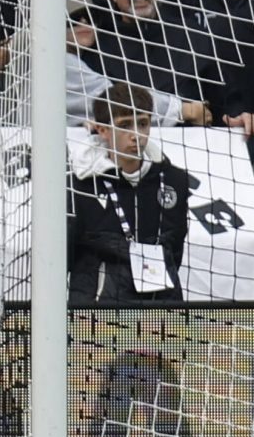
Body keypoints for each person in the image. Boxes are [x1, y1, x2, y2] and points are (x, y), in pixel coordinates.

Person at [67, 83, 193, 304]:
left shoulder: (174, 181)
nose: (136, 135)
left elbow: (175, 252)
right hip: (96, 312)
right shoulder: (79, 185)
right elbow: (65, 256)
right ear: (103, 130)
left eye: (143, 124)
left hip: (162, 309)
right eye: (125, 125)